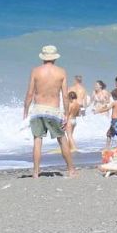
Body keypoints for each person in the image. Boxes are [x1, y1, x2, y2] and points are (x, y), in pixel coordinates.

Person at [22, 45, 75, 178]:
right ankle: (71, 170)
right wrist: (67, 114)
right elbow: (65, 96)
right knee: (62, 139)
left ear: (43, 57)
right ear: (55, 58)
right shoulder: (61, 72)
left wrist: (25, 111)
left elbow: (29, 94)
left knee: (37, 140)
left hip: (38, 109)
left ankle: (35, 172)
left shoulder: (35, 71)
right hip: (53, 110)